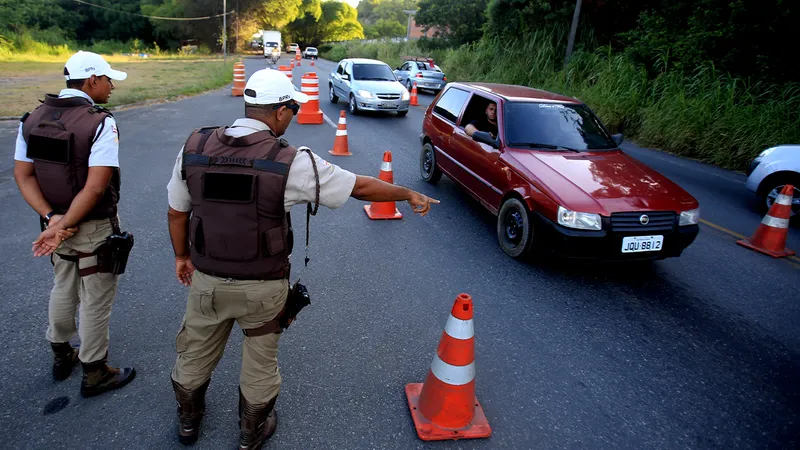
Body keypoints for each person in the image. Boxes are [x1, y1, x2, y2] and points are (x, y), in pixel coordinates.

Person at [166, 68, 439, 449]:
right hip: (263, 284)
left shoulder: (194, 147)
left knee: (194, 350)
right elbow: (357, 186)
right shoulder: (290, 161)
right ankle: (250, 433)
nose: (293, 114)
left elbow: (177, 211)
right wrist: (406, 193)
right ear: (279, 112)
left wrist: (182, 256)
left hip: (207, 279)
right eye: (293, 107)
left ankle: (188, 421)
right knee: (260, 359)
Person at [13, 50, 136, 397]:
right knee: (95, 296)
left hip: (55, 225)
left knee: (63, 282)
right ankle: (94, 370)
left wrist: (53, 221)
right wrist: (65, 221)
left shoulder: (32, 118)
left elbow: (23, 175)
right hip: (92, 224)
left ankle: (60, 350)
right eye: (108, 79)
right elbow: (96, 186)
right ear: (93, 80)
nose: (112, 86)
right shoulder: (99, 122)